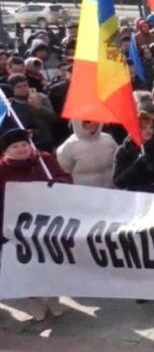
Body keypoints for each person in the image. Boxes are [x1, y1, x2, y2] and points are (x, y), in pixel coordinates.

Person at [0, 128, 72, 320]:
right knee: (27, 268)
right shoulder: (2, 170)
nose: (21, 149)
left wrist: (58, 182)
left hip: (49, 225)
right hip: (17, 230)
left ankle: (54, 297)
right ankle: (35, 301)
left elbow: (66, 178)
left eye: (24, 144)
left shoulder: (45, 160)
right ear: (5, 151)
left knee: (52, 262)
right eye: (15, 146)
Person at [56, 120, 117, 188]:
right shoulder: (69, 146)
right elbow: (64, 171)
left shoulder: (108, 139)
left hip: (110, 191)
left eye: (95, 119)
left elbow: (117, 161)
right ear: (77, 123)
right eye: (87, 121)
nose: (93, 123)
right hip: (84, 193)